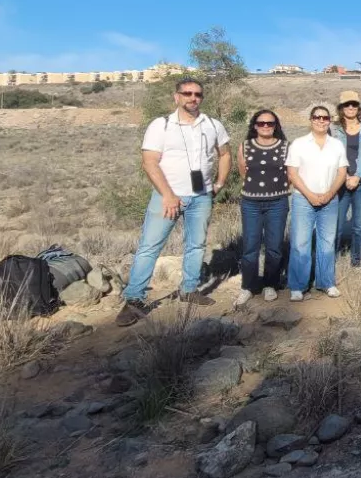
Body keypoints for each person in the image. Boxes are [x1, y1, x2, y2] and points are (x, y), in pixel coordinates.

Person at [118, 78, 230, 327]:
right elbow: (149, 161)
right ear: (176, 96)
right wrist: (168, 195)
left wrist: (219, 183)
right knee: (150, 247)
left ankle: (189, 289)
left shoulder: (212, 125)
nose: (193, 98)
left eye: (198, 94)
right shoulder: (161, 125)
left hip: (201, 195)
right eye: (187, 93)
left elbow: (225, 154)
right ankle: (134, 299)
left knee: (197, 244)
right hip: (167, 196)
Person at [285, 105, 347, 302]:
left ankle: (326, 282)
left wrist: (330, 193)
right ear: (311, 120)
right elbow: (292, 173)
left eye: (325, 118)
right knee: (300, 242)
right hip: (304, 199)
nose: (321, 121)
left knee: (327, 242)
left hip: (330, 199)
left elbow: (342, 172)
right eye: (317, 117)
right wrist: (310, 194)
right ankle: (297, 285)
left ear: (329, 121)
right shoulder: (299, 144)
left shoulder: (336, 145)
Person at [235, 109, 289, 306]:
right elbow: (244, 172)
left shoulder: (285, 147)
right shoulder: (245, 146)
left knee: (274, 246)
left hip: (278, 202)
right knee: (250, 246)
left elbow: (289, 174)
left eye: (270, 123)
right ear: (254, 125)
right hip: (251, 203)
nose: (266, 126)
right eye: (261, 123)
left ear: (276, 125)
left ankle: (270, 284)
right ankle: (248, 287)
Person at [330, 91, 361, 268]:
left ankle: (357, 263)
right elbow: (329, 155)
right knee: (337, 224)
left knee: (359, 226)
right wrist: (345, 177)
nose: (350, 107)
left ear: (358, 107)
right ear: (341, 108)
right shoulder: (333, 130)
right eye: (347, 104)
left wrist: (358, 176)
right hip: (339, 183)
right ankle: (331, 261)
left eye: (354, 104)